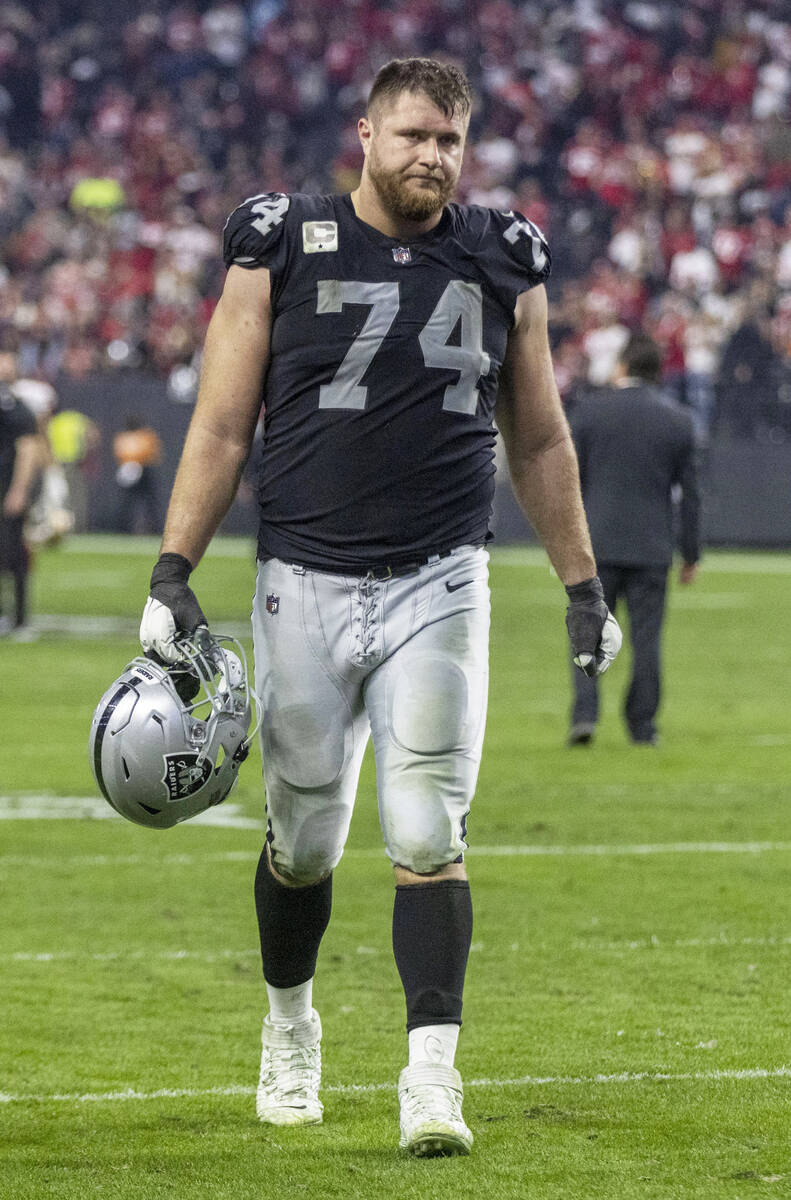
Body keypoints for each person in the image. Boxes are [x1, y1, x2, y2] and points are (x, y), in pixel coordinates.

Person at [138, 58, 621, 1157]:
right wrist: (173, 567)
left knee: (423, 828)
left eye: (449, 141)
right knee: (303, 842)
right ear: (363, 134)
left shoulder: (502, 257)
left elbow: (538, 437)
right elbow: (219, 426)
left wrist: (580, 582)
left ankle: (430, 1076)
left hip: (438, 580)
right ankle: (290, 1027)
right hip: (300, 577)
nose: (431, 158)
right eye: (411, 136)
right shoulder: (280, 243)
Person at [567, 332, 701, 747]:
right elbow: (691, 495)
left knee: (587, 633)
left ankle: (584, 717)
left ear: (622, 365)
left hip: (596, 545)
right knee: (647, 642)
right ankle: (642, 726)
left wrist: (565, 544)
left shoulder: (589, 412)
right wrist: (691, 554)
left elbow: (572, 483)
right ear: (660, 373)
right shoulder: (678, 420)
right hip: (652, 548)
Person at [0, 352, 45, 637]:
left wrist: (18, 491)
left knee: (13, 554)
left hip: (6, 491)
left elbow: (29, 451)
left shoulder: (18, 409)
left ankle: (18, 617)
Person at [112, 416, 162, 534]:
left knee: (149, 502)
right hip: (132, 469)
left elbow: (152, 453)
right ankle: (124, 528)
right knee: (130, 502)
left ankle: (152, 528)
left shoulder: (137, 436)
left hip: (141, 469)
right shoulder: (143, 436)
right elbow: (154, 454)